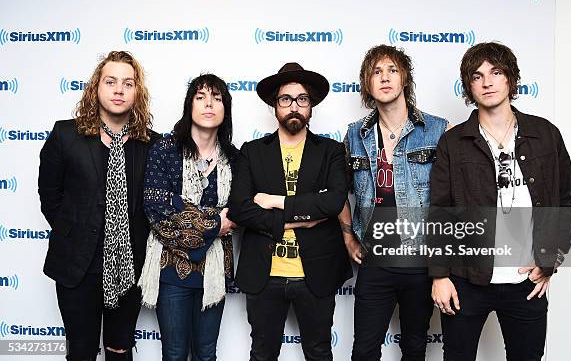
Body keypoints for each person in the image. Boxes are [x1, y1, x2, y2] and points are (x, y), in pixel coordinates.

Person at [428, 42, 571, 361]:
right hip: (466, 280)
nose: (487, 82)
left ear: (510, 79)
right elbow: (439, 211)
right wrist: (440, 276)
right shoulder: (454, 142)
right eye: (477, 76)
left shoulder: (545, 134)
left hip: (527, 282)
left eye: (496, 72)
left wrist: (550, 260)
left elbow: (563, 203)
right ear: (469, 86)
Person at [38, 51, 159, 361]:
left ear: (137, 92)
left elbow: (156, 204)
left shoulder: (152, 143)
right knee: (81, 351)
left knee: (120, 350)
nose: (119, 90)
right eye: (111, 81)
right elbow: (50, 196)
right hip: (78, 266)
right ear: (97, 87)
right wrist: (75, 234)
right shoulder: (66, 135)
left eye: (128, 83)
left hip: (128, 266)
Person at [228, 62, 352, 361]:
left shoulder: (331, 151)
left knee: (319, 352)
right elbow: (240, 209)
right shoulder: (252, 151)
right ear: (275, 106)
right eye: (286, 99)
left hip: (317, 273)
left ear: (311, 106)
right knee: (262, 354)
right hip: (264, 273)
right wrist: (303, 220)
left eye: (302, 99)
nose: (294, 106)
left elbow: (334, 202)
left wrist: (273, 201)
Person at [339, 44, 449, 361]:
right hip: (376, 262)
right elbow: (335, 192)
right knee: (364, 350)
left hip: (421, 261)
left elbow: (453, 198)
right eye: (376, 72)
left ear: (404, 79)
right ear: (367, 84)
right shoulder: (355, 135)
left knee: (414, 347)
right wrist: (348, 236)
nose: (384, 77)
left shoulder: (438, 130)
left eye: (392, 70)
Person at [138, 74, 238, 361]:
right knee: (174, 353)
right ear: (189, 105)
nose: (209, 104)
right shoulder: (165, 150)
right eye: (201, 97)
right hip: (171, 272)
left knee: (206, 354)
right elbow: (157, 209)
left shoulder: (235, 158)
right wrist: (216, 222)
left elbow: (240, 210)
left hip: (215, 272)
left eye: (217, 98)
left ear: (225, 109)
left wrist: (180, 206)